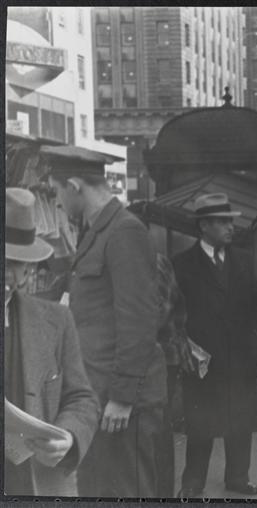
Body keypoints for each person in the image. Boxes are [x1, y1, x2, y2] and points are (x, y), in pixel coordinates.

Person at [44, 145, 167, 497]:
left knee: (126, 491)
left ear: (74, 186)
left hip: (122, 401)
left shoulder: (123, 231)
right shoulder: (100, 230)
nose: (57, 203)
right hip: (100, 392)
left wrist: (123, 397)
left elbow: (139, 319)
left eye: (56, 193)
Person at [3, 188, 100, 497]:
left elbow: (82, 398)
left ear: (28, 268)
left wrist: (68, 437)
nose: (8, 274)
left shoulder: (56, 321)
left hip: (34, 484)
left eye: (16, 263)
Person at [172, 193, 257, 497]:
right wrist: (185, 348)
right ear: (203, 226)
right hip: (202, 359)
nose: (230, 227)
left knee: (241, 420)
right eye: (222, 222)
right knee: (201, 423)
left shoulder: (244, 260)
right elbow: (174, 312)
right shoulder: (182, 264)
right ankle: (192, 482)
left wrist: (256, 346)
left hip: (241, 357)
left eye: (230, 221)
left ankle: (238, 477)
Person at [154, 252, 196, 497]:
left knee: (158, 426)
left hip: (160, 354)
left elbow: (162, 307)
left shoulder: (153, 260)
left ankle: (161, 493)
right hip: (155, 352)